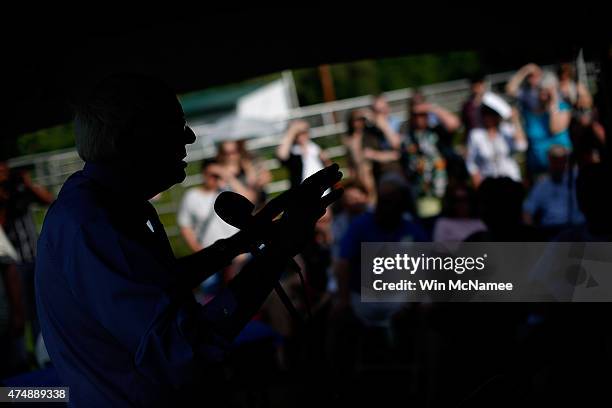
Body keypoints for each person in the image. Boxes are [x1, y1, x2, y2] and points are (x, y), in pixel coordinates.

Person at [35, 74, 343, 407]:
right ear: (132, 138)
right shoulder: (95, 224)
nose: (190, 136)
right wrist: (279, 250)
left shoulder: (104, 206)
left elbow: (158, 285)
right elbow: (185, 350)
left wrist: (243, 241)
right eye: (175, 124)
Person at [334, 173, 428, 326]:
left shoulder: (410, 227)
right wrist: (344, 300)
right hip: (363, 300)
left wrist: (411, 302)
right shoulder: (361, 225)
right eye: (384, 202)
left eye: (393, 202)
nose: (388, 207)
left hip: (401, 299)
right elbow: (343, 263)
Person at [0, 161, 53, 344]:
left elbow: (48, 200)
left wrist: (28, 184)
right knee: (21, 311)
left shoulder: (20, 189)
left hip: (35, 257)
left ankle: (43, 347)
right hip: (13, 265)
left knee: (43, 308)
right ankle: (22, 353)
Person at [177, 159, 240, 299]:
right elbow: (185, 226)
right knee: (210, 297)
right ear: (203, 174)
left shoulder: (227, 191)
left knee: (238, 295)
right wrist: (199, 250)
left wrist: (227, 176)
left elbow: (251, 197)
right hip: (209, 255)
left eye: (217, 174)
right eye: (211, 174)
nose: (214, 178)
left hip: (236, 254)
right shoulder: (191, 196)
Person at [507, 65, 572, 176]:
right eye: (541, 90)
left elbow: (554, 128)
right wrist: (526, 70)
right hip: (538, 170)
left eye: (547, 91)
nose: (543, 94)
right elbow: (510, 89)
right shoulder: (530, 112)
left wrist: (553, 102)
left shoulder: (563, 108)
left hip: (562, 169)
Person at [401, 92, 463, 201]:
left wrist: (431, 108)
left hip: (441, 187)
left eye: (422, 114)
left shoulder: (436, 130)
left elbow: (454, 124)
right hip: (418, 190)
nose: (419, 118)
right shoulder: (406, 133)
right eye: (415, 114)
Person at [466, 92, 527, 186]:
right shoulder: (476, 135)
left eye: (492, 115)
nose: (489, 118)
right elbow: (471, 162)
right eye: (486, 114)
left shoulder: (506, 130)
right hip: (489, 183)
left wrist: (515, 120)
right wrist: (477, 182)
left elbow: (522, 146)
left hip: (511, 180)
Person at [523, 145, 585, 237]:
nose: (558, 165)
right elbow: (527, 211)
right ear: (549, 161)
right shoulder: (542, 185)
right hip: (551, 231)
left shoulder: (578, 180)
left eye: (561, 160)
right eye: (554, 161)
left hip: (578, 229)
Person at [276, 120, 332, 189]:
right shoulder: (293, 152)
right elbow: (282, 155)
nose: (302, 135)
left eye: (304, 132)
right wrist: (292, 130)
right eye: (298, 133)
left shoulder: (316, 148)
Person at [215, 140, 270, 207]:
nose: (230, 156)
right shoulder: (216, 172)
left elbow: (251, 196)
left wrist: (249, 170)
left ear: (240, 150)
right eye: (226, 153)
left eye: (233, 152)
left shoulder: (248, 165)